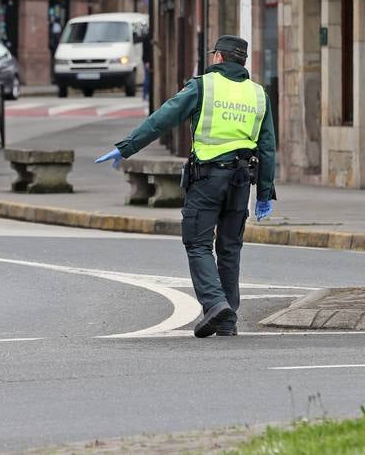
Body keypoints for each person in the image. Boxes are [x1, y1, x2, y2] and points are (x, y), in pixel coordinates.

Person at [96, 35, 276, 338]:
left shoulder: (203, 85)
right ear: (242, 61)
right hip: (242, 181)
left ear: (218, 57)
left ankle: (216, 304)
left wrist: (125, 147)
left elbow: (161, 120)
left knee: (198, 244)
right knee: (230, 248)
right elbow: (268, 146)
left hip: (208, 179)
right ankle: (227, 320)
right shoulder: (258, 94)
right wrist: (266, 194)